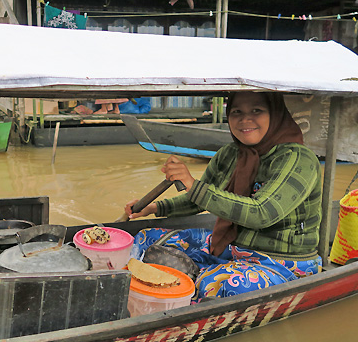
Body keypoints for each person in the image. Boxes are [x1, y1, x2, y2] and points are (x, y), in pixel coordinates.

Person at [125, 92, 322, 301]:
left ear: (275, 114)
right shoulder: (230, 154)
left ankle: (192, 280)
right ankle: (193, 274)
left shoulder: (298, 159)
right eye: (237, 112)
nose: (245, 119)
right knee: (147, 238)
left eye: (257, 111)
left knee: (217, 286)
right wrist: (154, 208)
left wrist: (193, 185)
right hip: (229, 246)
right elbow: (199, 199)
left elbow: (261, 213)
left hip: (278, 261)